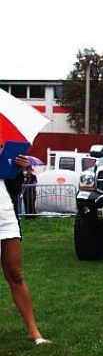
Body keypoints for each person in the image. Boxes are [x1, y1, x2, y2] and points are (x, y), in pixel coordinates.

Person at [0, 142, 50, 344]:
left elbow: (15, 188)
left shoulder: (7, 157)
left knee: (15, 274)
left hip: (6, 217)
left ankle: (34, 332)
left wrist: (19, 169)